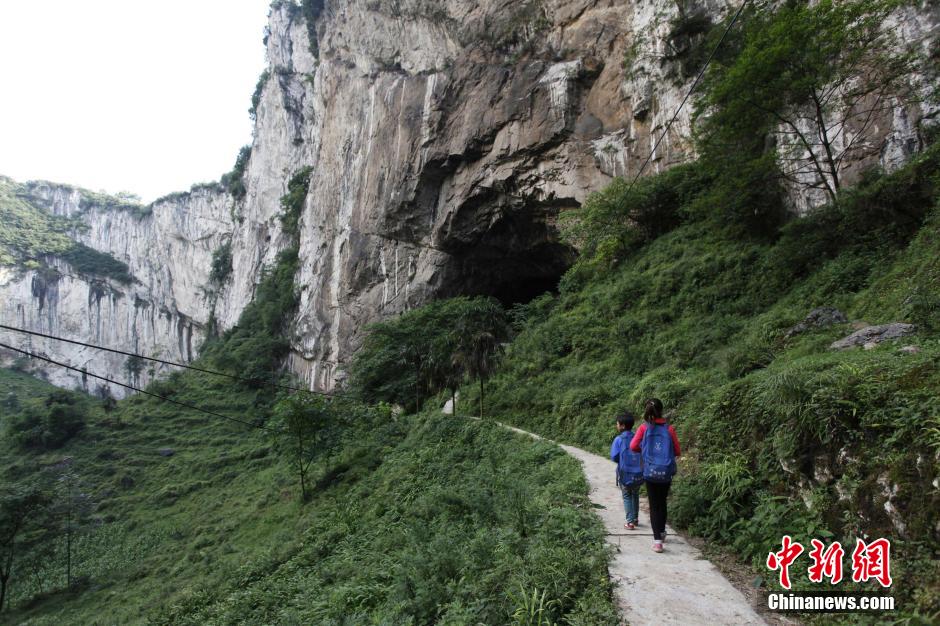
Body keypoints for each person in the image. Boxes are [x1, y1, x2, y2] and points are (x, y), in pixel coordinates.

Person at [630, 398, 680, 553]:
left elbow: (633, 446)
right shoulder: (669, 429)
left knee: (653, 505)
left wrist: (645, 452)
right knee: (662, 502)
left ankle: (657, 541)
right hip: (665, 472)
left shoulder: (644, 428)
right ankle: (663, 531)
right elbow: (677, 451)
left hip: (650, 471)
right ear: (662, 410)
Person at [610, 411, 642, 530]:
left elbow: (614, 456)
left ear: (622, 425)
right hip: (638, 472)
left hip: (625, 473)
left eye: (617, 424)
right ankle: (636, 518)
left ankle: (629, 522)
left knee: (627, 495)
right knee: (635, 494)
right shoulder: (637, 437)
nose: (616, 425)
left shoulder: (619, 439)